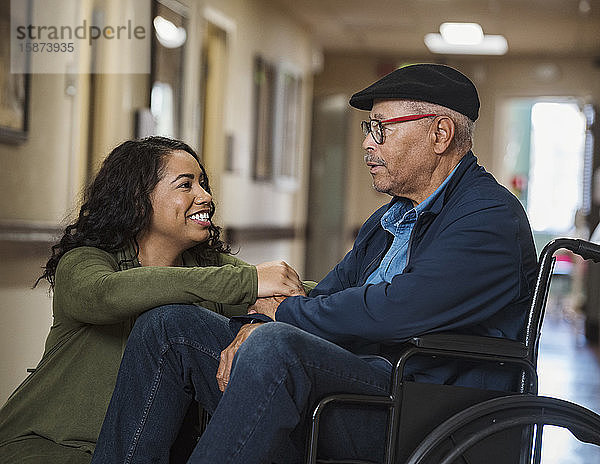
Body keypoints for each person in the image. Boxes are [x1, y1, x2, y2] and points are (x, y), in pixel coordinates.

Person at [91, 64, 538, 463]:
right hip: (356, 380)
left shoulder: (488, 218)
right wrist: (261, 320)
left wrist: (280, 315)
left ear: (440, 134)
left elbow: (394, 309)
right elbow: (328, 291)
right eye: (368, 127)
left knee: (275, 348)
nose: (367, 142)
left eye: (381, 128)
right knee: (169, 327)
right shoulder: (390, 217)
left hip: (420, 406)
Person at [0, 136, 305, 464]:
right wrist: (248, 282)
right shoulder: (84, 262)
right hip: (50, 448)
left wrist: (276, 311)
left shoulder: (206, 267)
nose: (205, 196)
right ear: (137, 198)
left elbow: (302, 292)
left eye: (202, 183)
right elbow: (107, 294)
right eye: (186, 185)